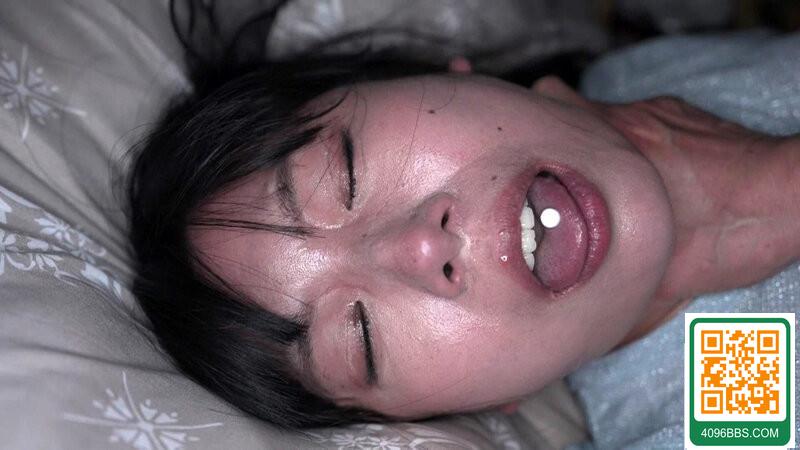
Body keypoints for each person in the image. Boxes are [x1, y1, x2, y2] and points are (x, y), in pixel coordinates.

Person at [126, 0, 800, 430]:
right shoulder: (729, 407)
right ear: (475, 406)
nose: (419, 250)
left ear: (440, 74)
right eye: (362, 338)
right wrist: (772, 190)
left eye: (346, 174)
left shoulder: (631, 77)